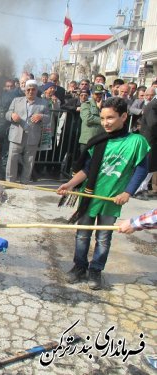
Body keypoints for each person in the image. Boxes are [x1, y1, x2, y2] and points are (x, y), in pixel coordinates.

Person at [57, 97, 150, 290]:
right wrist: (70, 184)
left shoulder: (136, 142)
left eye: (110, 118)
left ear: (124, 116)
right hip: (90, 195)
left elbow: (141, 169)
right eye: (102, 118)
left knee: (103, 237)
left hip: (111, 198)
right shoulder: (99, 140)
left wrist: (127, 192)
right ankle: (79, 266)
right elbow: (88, 169)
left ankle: (96, 270)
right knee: (82, 234)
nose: (105, 123)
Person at [5, 79, 50, 183]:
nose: (30, 91)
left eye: (33, 89)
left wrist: (41, 116)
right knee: (12, 159)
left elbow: (48, 118)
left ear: (36, 90)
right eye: (28, 89)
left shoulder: (43, 103)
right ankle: (10, 181)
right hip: (16, 134)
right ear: (25, 91)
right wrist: (12, 115)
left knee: (29, 160)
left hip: (32, 135)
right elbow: (7, 114)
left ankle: (24, 181)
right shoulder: (16, 101)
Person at [78, 83, 105, 154]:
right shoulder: (86, 104)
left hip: (100, 139)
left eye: (100, 94)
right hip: (88, 139)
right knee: (86, 162)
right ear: (92, 94)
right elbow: (88, 119)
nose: (99, 96)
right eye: (97, 94)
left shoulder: (105, 105)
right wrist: (102, 120)